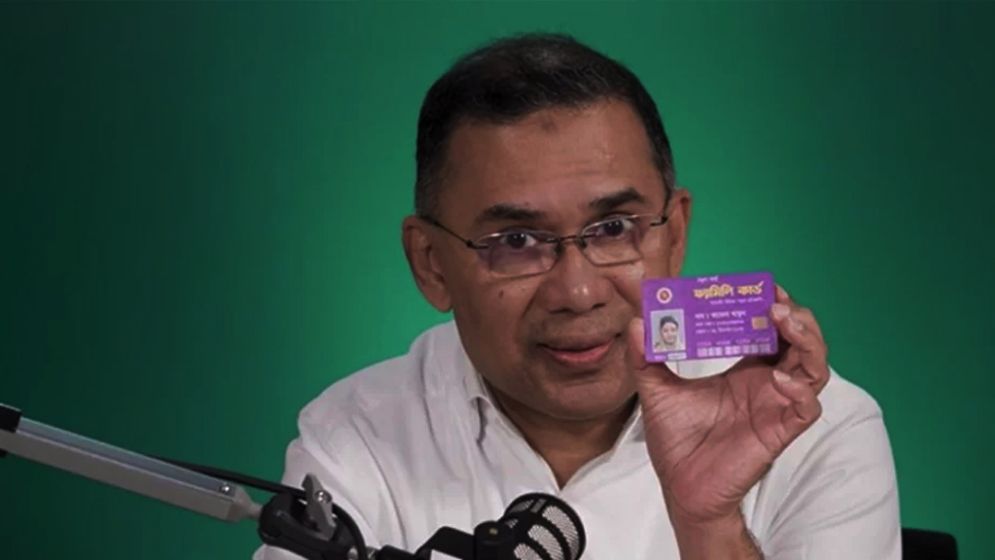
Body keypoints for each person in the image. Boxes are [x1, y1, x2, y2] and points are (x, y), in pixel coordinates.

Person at [255, 34, 899, 559]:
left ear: (674, 236)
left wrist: (710, 528)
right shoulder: (358, 437)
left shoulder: (814, 427)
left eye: (614, 229)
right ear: (432, 264)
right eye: (515, 241)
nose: (578, 291)